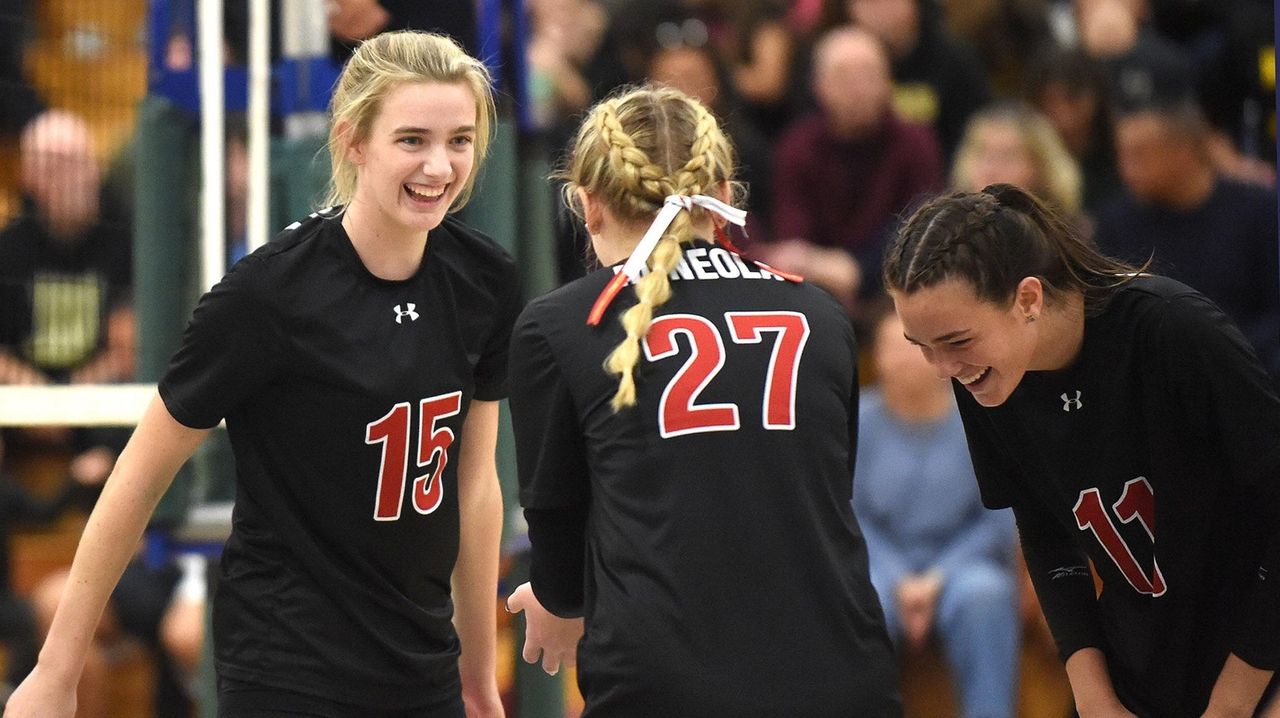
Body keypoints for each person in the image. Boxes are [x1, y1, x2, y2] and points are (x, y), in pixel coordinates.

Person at [6, 30, 518, 717]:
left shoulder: (484, 278)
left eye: (459, 140)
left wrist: (478, 670)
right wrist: (55, 671)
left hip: (421, 665)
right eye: (412, 140)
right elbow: (139, 475)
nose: (439, 165)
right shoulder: (270, 296)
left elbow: (474, 484)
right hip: (289, 669)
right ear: (353, 141)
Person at [504, 85, 901, 717]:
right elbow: (823, 489)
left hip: (663, 682)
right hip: (840, 674)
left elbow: (556, 515)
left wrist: (557, 601)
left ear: (588, 204)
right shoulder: (820, 314)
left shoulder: (559, 326)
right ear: (723, 196)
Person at [882, 182, 1279, 716]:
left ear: (1028, 298)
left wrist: (1234, 704)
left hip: (1254, 665)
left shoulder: (1172, 330)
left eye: (955, 342)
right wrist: (1095, 699)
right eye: (921, 347)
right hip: (1139, 671)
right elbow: (1046, 534)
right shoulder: (986, 373)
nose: (942, 370)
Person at [853, 303, 1020, 718]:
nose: (904, 360)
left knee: (987, 595)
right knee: (859, 597)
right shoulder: (855, 422)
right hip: (878, 563)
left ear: (938, 355)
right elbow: (846, 514)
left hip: (962, 565)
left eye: (913, 347)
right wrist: (897, 580)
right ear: (876, 356)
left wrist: (936, 579)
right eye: (891, 348)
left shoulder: (982, 419)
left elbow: (998, 521)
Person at [1093, 95, 1279, 385]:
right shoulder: (1115, 224)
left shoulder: (1258, 210)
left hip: (1251, 374)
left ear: (1184, 151)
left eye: (1139, 154)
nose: (1125, 168)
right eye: (1122, 154)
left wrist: (1229, 355)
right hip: (1157, 383)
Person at [764, 25, 942, 318]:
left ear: (888, 82)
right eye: (844, 77)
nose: (858, 89)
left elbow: (921, 230)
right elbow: (793, 239)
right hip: (817, 291)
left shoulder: (916, 143)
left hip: (897, 293)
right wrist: (823, 266)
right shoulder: (796, 146)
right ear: (818, 85)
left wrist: (858, 269)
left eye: (869, 75)